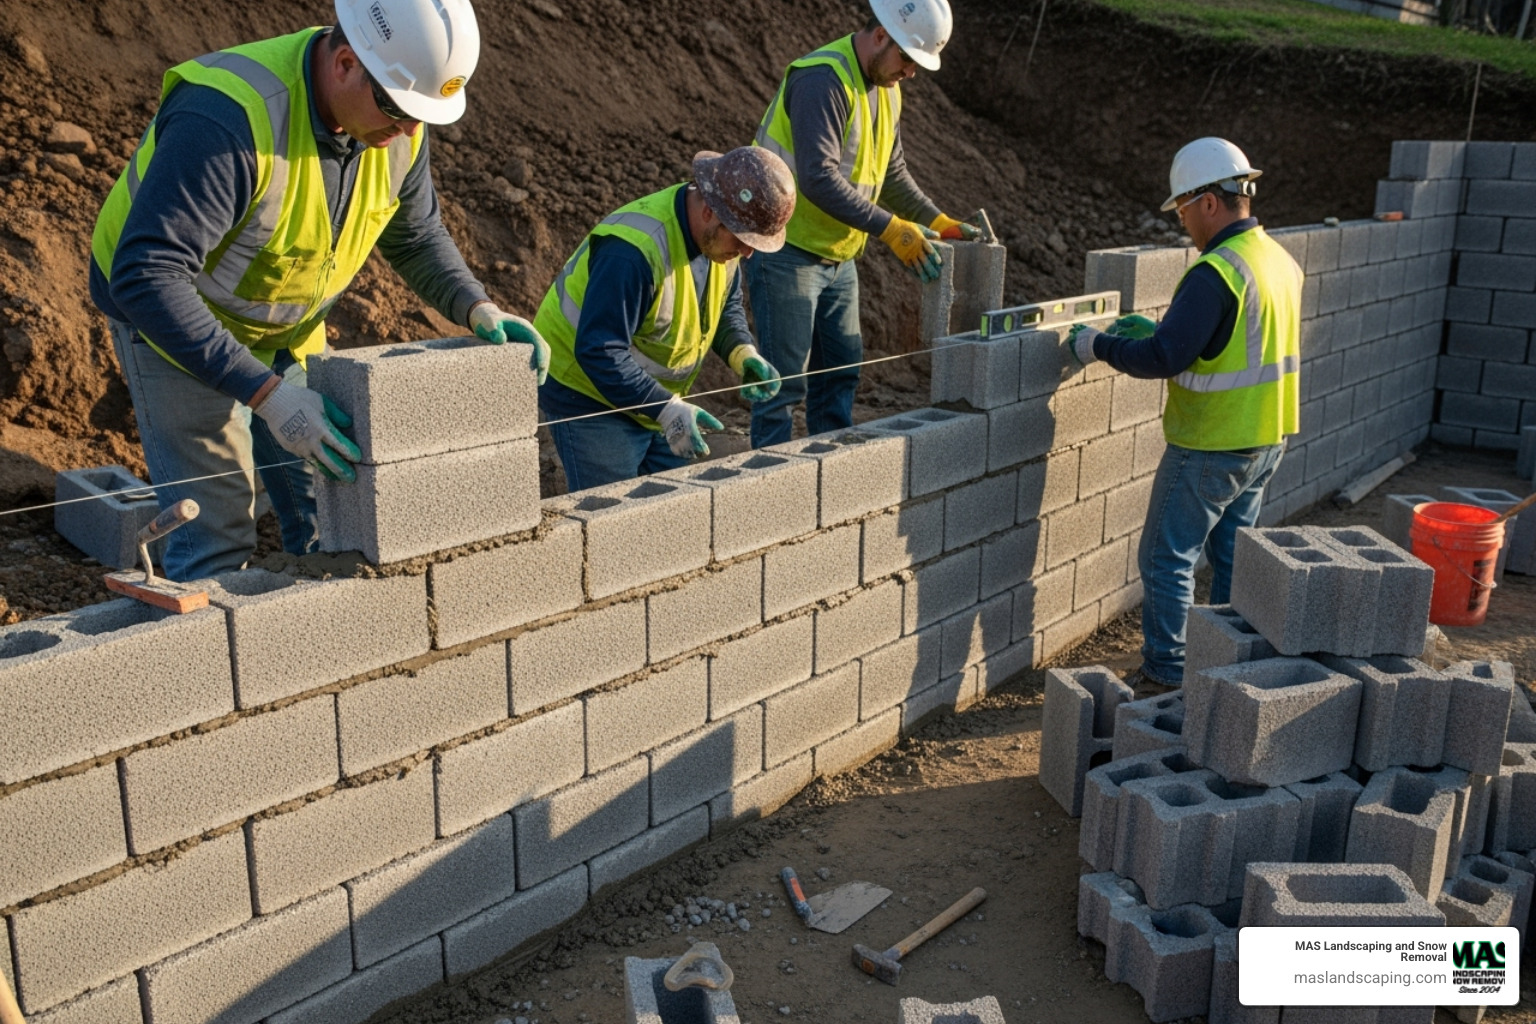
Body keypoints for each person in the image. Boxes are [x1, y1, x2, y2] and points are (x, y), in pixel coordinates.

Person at [90, 0, 548, 581]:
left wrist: (475, 304)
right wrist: (267, 395)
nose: (407, 130)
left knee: (330, 509)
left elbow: (415, 232)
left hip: (287, 326)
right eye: (396, 108)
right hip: (170, 322)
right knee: (218, 535)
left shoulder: (394, 120)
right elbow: (147, 274)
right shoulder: (229, 120)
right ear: (345, 63)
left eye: (418, 115)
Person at [1066, 137, 1303, 696]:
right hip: (1266, 439)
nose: (1184, 224)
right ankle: (1222, 661)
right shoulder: (1277, 259)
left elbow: (1163, 359)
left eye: (1183, 210)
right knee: (1232, 559)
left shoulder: (1214, 272)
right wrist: (1164, 332)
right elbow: (1231, 340)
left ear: (1209, 203)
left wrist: (1096, 346)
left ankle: (1167, 673)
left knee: (1166, 557)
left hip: (1212, 442)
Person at [747, 0, 981, 448]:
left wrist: (937, 220)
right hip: (787, 249)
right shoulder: (823, 79)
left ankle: (829, 477)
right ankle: (767, 493)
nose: (910, 72)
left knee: (841, 375)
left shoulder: (888, 87)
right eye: (907, 59)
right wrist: (893, 230)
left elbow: (890, 174)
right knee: (783, 387)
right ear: (880, 35)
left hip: (839, 257)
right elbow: (817, 177)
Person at [534, 146, 794, 491]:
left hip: (651, 396)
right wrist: (666, 409)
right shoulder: (633, 253)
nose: (748, 252)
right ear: (709, 211)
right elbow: (600, 350)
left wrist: (742, 353)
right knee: (612, 516)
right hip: (587, 391)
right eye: (743, 240)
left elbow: (723, 305)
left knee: (670, 509)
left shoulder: (720, 240)